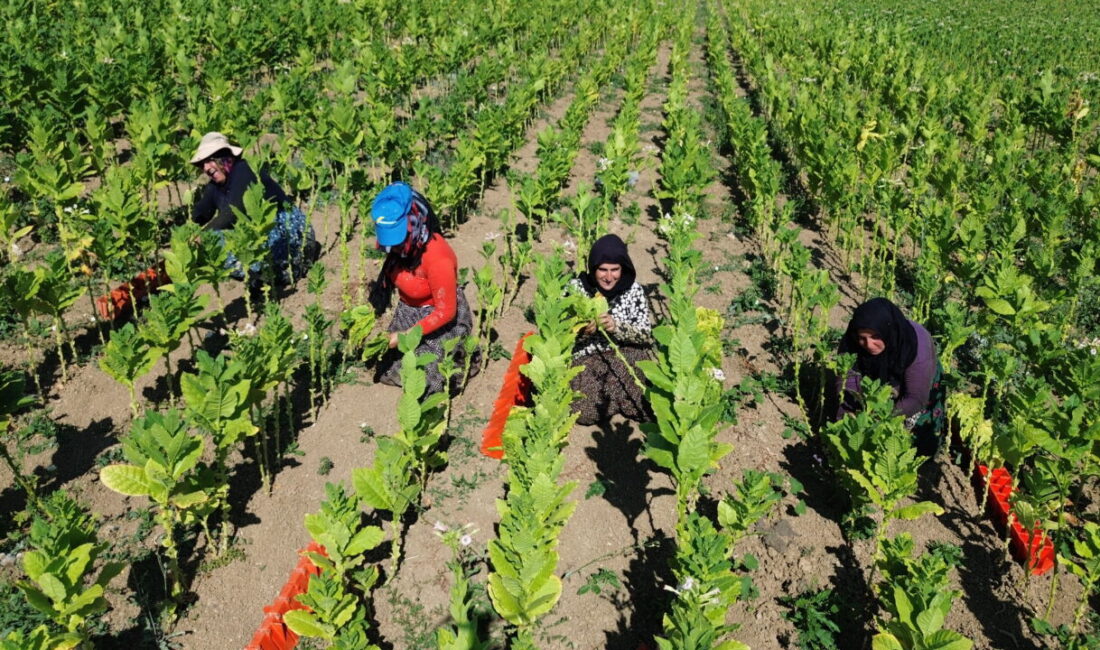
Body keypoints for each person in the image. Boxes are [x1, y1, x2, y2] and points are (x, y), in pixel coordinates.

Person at [368, 182, 475, 394]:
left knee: (430, 379)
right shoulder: (405, 250)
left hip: (438, 320)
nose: (391, 248)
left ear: (414, 222)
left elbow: (445, 312)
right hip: (409, 312)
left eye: (397, 237)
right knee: (389, 367)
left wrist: (407, 336)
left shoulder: (437, 258)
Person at [190, 131, 315, 283]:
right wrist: (186, 233)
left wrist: (203, 236)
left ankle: (277, 274)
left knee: (214, 241)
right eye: (202, 164)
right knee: (218, 240)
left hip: (290, 234)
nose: (206, 168)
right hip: (266, 241)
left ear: (227, 157)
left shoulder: (244, 169)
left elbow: (232, 213)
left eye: (210, 160)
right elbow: (199, 214)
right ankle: (267, 277)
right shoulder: (215, 186)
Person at [836, 297, 945, 456]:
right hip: (878, 375)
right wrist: (846, 417)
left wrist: (879, 419)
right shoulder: (851, 342)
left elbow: (915, 398)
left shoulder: (916, 349)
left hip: (917, 381)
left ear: (888, 332)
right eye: (862, 338)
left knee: (914, 442)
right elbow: (847, 382)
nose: (869, 345)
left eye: (875, 337)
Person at [569, 234, 652, 426]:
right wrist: (581, 333)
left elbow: (646, 335)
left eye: (615, 270)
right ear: (593, 268)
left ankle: (614, 398)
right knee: (585, 413)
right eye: (602, 270)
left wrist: (617, 327)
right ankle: (619, 397)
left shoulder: (634, 291)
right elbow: (560, 335)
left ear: (624, 268)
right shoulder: (575, 290)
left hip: (625, 355)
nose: (608, 277)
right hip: (588, 360)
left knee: (648, 404)